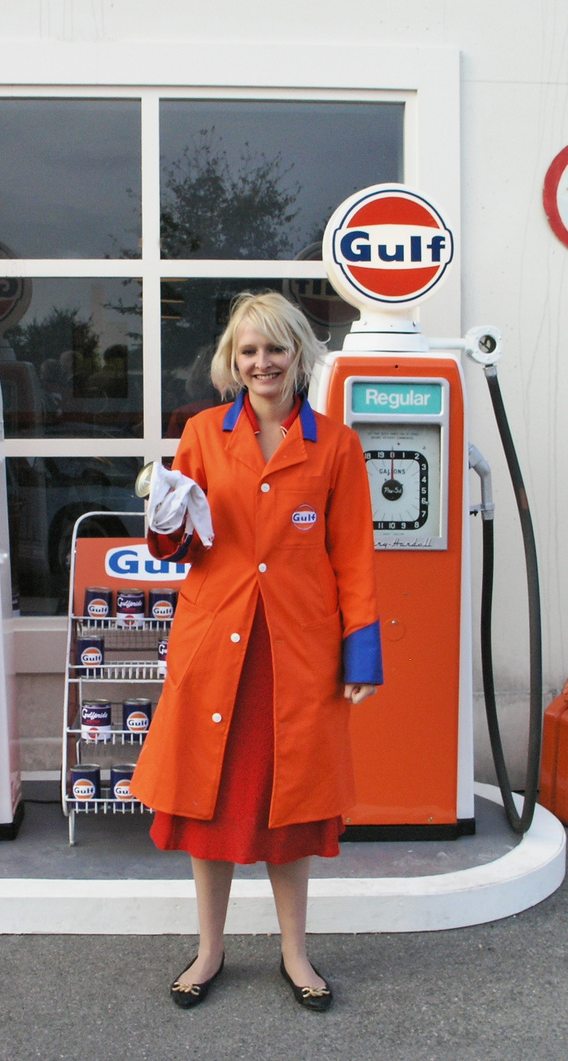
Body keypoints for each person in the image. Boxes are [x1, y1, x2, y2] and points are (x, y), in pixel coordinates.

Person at [129, 292, 381, 1012]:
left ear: (299, 354)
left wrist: (360, 654)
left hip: (296, 652)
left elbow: (354, 556)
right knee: (208, 805)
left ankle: (294, 954)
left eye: (274, 348)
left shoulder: (336, 445)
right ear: (230, 362)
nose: (262, 363)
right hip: (217, 646)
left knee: (290, 809)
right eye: (248, 351)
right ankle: (209, 951)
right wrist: (165, 523)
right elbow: (176, 544)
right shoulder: (203, 434)